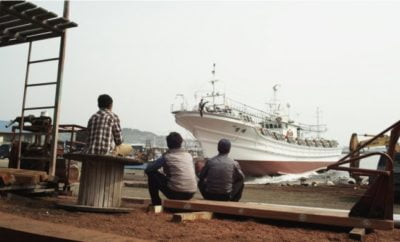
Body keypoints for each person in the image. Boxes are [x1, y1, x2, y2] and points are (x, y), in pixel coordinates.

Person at [145, 132, 197, 205]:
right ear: (181, 142)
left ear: (168, 144)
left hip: (176, 193)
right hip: (191, 192)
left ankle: (156, 202)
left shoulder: (167, 156)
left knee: (152, 173)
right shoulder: (188, 155)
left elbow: (148, 169)